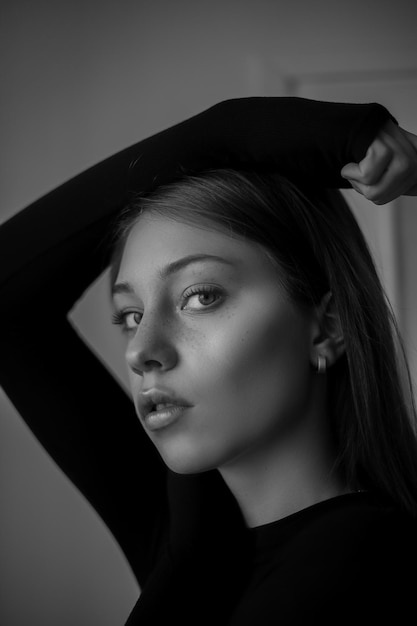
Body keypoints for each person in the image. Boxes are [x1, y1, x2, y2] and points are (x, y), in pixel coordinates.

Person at [1, 97, 417, 625]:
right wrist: (222, 133)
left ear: (327, 326)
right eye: (131, 314)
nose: (140, 349)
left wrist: (229, 131)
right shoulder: (194, 531)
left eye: (200, 296)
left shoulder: (368, 561)